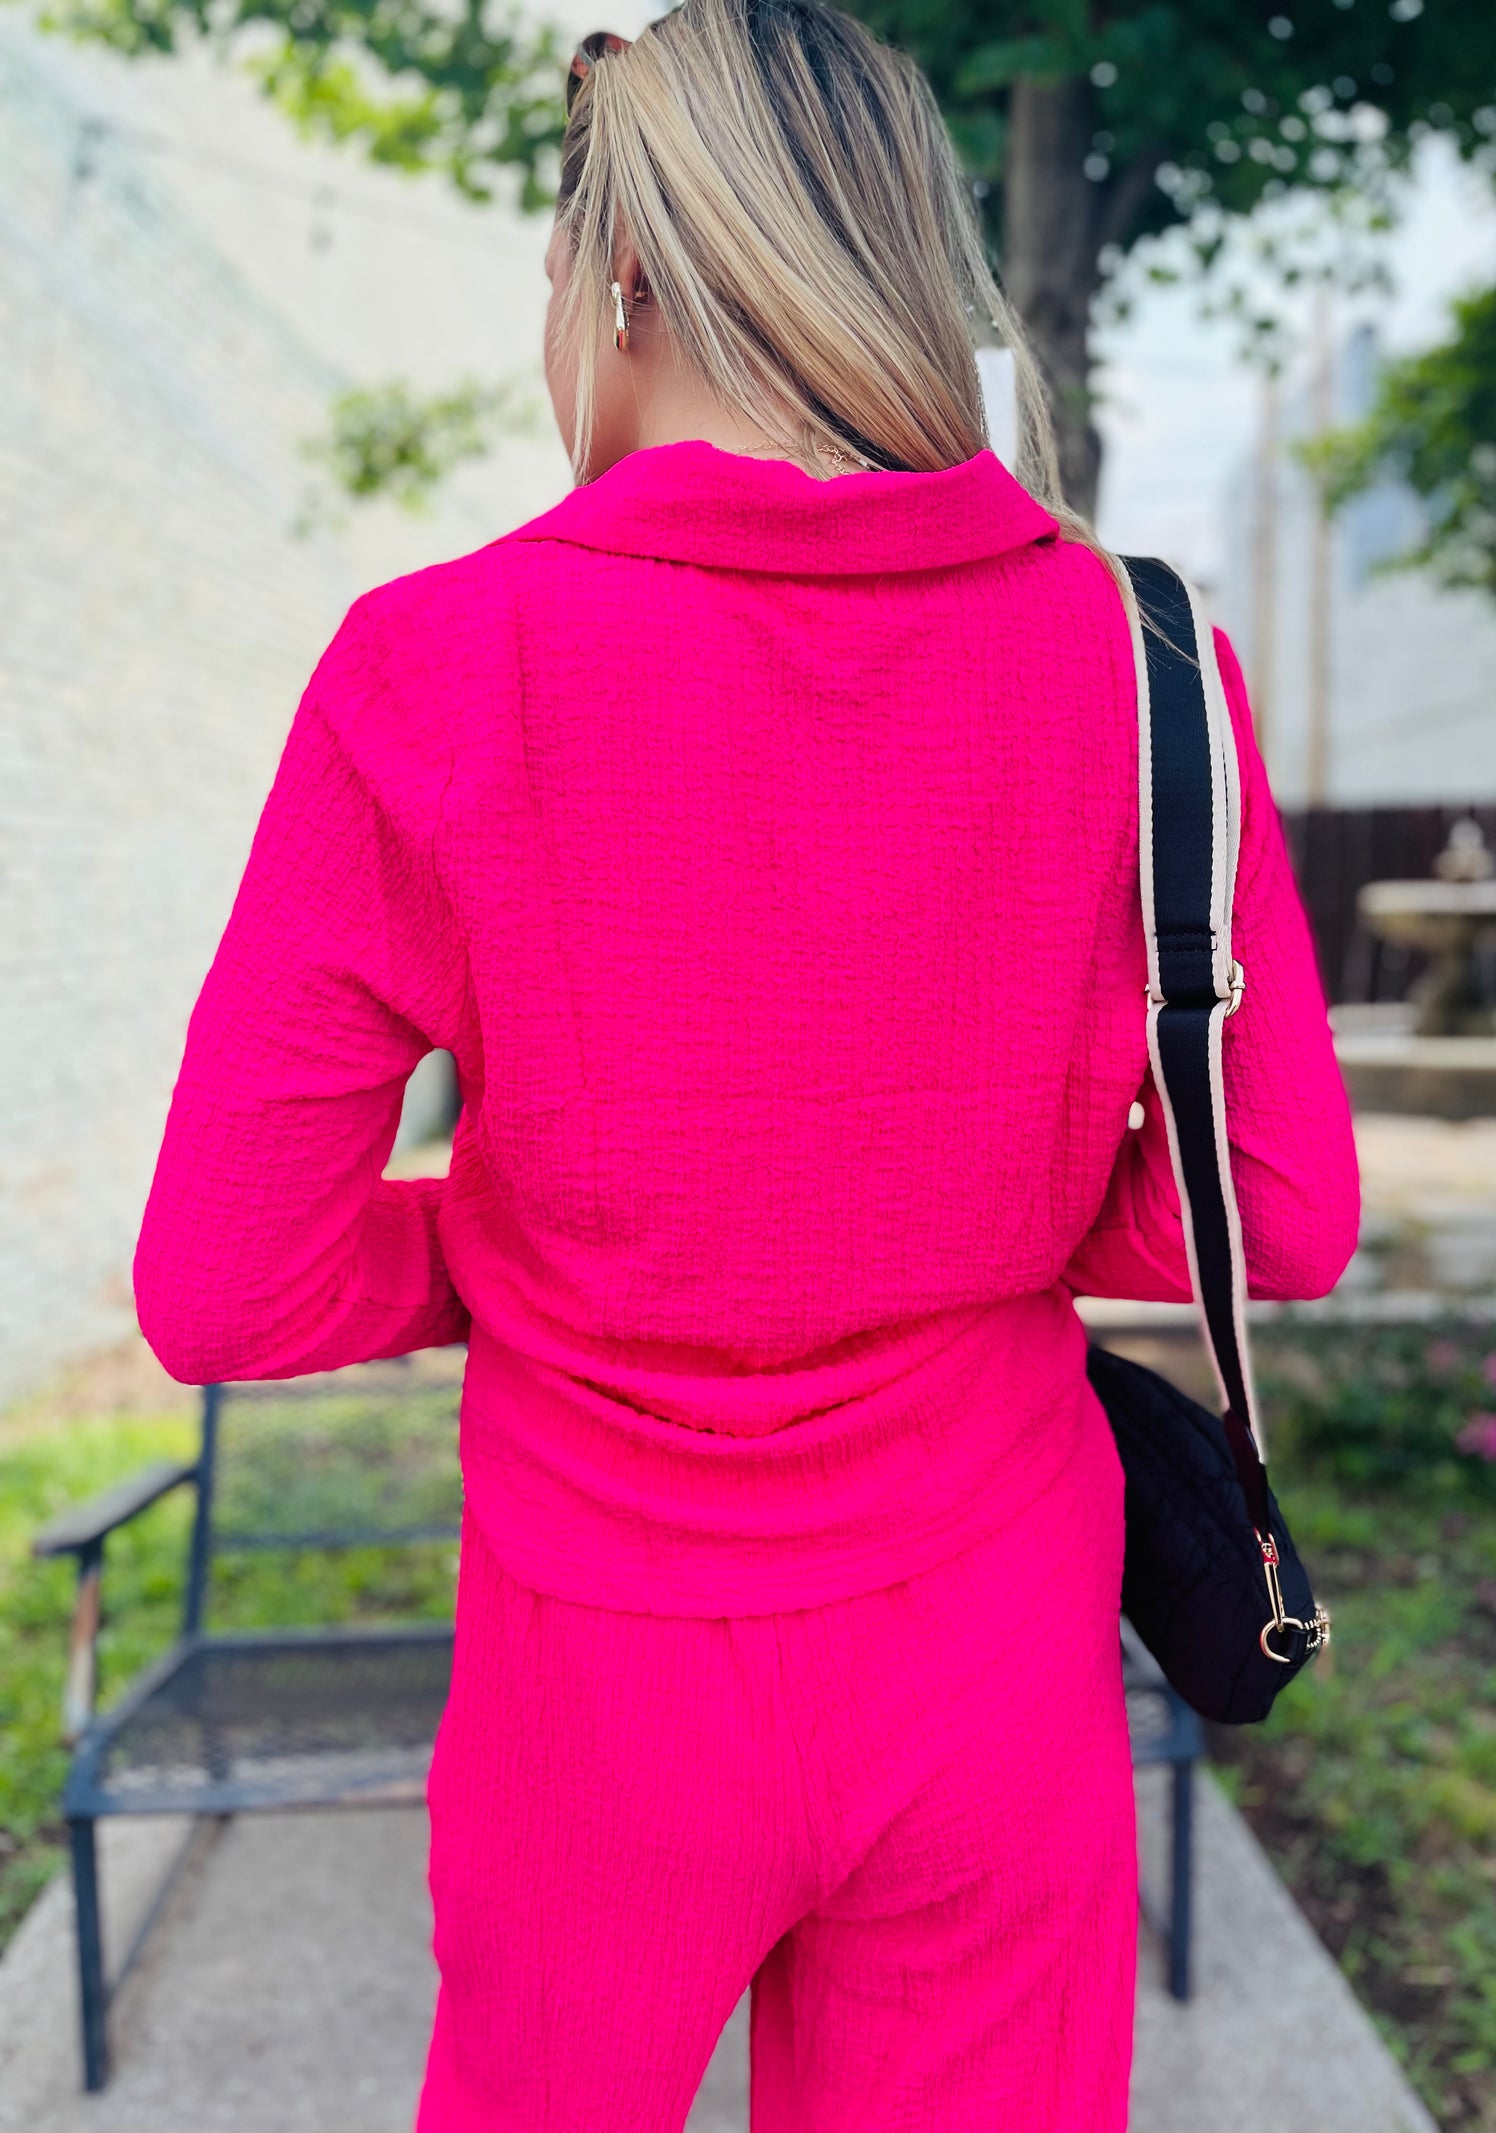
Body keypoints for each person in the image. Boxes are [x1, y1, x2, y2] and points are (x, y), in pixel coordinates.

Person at [133, 0, 1361, 2125]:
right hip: (995, 1642)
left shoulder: (435, 666)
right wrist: (968, 1198)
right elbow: (1288, 1213)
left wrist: (524, 1239)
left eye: (552, 279)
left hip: (596, 1679)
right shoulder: (1151, 661)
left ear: (621, 274)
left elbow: (226, 1279)